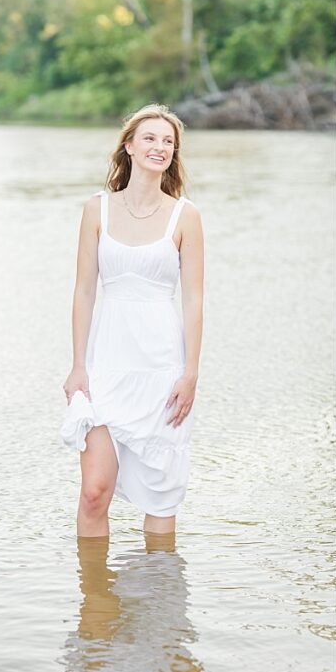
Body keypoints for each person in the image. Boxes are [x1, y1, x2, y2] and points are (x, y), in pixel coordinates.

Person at [61, 104, 204, 538]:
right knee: (93, 492)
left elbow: (195, 299)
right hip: (106, 363)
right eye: (150, 138)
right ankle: (97, 603)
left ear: (173, 153)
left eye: (167, 141)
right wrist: (77, 365)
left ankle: (158, 601)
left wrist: (191, 373)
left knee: (161, 494)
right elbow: (84, 290)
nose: (159, 146)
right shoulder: (96, 209)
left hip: (162, 367)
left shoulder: (186, 216)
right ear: (129, 146)